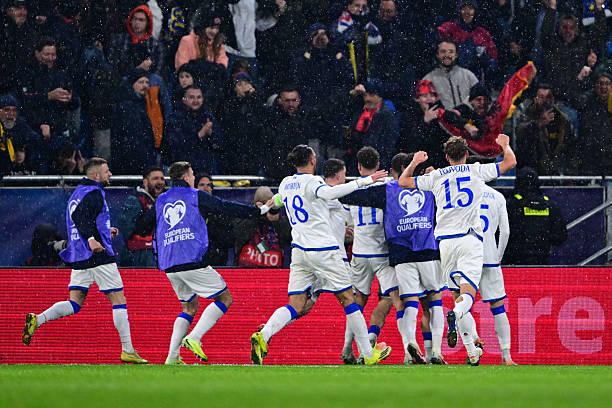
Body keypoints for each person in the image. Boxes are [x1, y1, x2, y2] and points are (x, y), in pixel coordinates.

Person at [250, 144, 391, 365]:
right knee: (349, 299)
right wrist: (365, 181)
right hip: (324, 250)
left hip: (300, 252)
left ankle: (264, 334)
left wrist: (263, 209)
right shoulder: (313, 182)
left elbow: (276, 201)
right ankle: (367, 353)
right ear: (312, 160)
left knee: (296, 304)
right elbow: (331, 192)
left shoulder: (286, 183)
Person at [398, 134, 517, 365]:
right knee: (467, 297)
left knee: (456, 296)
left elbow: (403, 182)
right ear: (467, 154)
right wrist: (505, 145)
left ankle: (472, 352)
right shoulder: (475, 170)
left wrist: (414, 162)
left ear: (446, 157)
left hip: (445, 243)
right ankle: (458, 315)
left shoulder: (436, 176)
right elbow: (510, 162)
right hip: (469, 241)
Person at [21, 158, 148, 364]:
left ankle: (39, 319)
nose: (110, 174)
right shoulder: (94, 192)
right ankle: (128, 350)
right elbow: (81, 217)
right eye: (107, 171)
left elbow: (82, 218)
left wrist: (103, 231)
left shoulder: (78, 193)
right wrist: (92, 239)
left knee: (74, 303)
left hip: (80, 256)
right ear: (96, 175)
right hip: (97, 255)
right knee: (119, 300)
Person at [151, 161, 273, 364]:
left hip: (169, 263)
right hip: (190, 260)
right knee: (225, 298)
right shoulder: (195, 196)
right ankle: (194, 337)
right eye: (192, 175)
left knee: (189, 308)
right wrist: (257, 211)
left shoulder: (161, 199)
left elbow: (147, 224)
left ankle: (172, 357)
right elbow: (225, 207)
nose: (193, 179)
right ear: (186, 178)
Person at [340, 150, 447, 365]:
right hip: (422, 250)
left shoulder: (388, 189)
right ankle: (432, 350)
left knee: (403, 301)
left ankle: (399, 345)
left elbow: (348, 196)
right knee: (429, 299)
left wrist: (340, 188)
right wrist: (434, 174)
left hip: (393, 253)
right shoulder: (430, 186)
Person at [336, 147, 408, 364]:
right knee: (393, 298)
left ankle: (347, 348)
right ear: (378, 165)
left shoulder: (352, 189)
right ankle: (397, 346)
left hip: (359, 253)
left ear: (359, 167)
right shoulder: (388, 185)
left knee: (357, 302)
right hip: (383, 252)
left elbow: (347, 222)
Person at [474, 183, 516, 365]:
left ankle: (472, 350)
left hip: (467, 256)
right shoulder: (497, 196)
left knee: (462, 304)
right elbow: (505, 232)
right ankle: (506, 355)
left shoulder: (460, 193)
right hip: (490, 256)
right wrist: (497, 256)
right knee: (498, 307)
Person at [503, 167, 567, 265]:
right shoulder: (549, 205)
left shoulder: (511, 205)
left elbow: (502, 233)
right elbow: (560, 236)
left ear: (518, 182)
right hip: (541, 260)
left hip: (515, 261)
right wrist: (543, 239)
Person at [164, 85, 222, 174]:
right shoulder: (175, 118)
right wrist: (199, 135)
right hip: (181, 171)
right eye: (191, 97)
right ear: (184, 99)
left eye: (199, 97)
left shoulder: (208, 117)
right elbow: (175, 145)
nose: (195, 101)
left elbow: (219, 144)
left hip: (206, 170)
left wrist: (211, 135)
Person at [515, 83, 571, 175]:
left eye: (548, 97)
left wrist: (569, 173)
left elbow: (570, 147)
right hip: (531, 167)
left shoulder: (561, 119)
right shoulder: (527, 115)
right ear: (535, 99)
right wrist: (539, 124)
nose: (545, 101)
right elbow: (520, 133)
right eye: (541, 97)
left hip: (554, 168)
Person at [111, 68, 157, 174]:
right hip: (131, 160)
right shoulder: (128, 105)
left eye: (147, 82)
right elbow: (134, 136)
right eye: (141, 82)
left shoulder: (139, 103)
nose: (145, 85)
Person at [118, 166, 166, 267]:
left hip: (157, 254)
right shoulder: (135, 200)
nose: (160, 182)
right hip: (140, 256)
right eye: (155, 178)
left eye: (162, 179)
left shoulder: (164, 202)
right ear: (145, 182)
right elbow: (127, 229)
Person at [234, 186, 292, 268]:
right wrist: (256, 213)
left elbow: (289, 237)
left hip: (273, 271)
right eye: (264, 205)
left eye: (269, 205)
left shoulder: (279, 221)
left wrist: (277, 220)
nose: (267, 209)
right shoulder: (246, 217)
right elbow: (238, 233)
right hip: (246, 270)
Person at [422, 39, 479, 110]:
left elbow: (481, 99)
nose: (447, 55)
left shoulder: (469, 76)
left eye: (451, 52)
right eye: (443, 51)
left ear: (456, 55)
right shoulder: (428, 80)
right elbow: (424, 107)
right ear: (437, 55)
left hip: (469, 117)